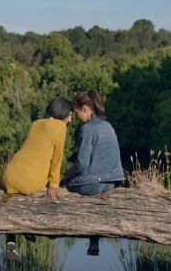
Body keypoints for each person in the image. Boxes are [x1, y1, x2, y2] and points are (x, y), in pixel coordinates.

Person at [62, 90, 124, 256]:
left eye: (76, 113)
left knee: (61, 186)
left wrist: (66, 175)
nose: (76, 118)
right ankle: (94, 239)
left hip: (93, 184)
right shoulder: (108, 126)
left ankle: (52, 231)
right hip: (111, 183)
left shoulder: (87, 129)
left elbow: (81, 164)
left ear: (85, 109)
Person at [2, 97, 72, 199]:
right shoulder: (60, 127)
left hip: (8, 176)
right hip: (28, 182)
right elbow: (56, 160)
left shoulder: (35, 124)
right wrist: (54, 184)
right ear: (62, 112)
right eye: (69, 115)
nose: (70, 120)